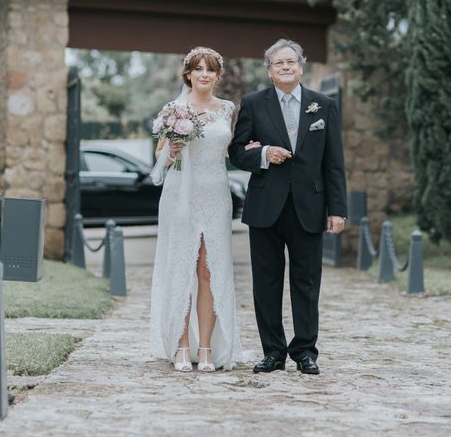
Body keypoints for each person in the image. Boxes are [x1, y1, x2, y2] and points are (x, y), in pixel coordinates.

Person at [228, 39, 347, 375]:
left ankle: (305, 351)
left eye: (290, 61)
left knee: (307, 282)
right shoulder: (253, 103)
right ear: (269, 71)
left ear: (301, 67)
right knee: (265, 282)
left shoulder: (324, 106)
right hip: (266, 205)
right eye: (278, 63)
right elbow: (237, 152)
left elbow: (334, 162)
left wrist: (337, 209)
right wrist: (264, 154)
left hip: (310, 206)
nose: (285, 66)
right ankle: (273, 352)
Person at [149, 47, 255, 372]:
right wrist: (172, 149)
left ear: (218, 76)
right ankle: (182, 346)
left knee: (209, 272)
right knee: (181, 265)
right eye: (199, 69)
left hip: (216, 195)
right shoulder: (174, 109)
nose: (204, 75)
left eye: (210, 70)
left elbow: (231, 148)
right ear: (189, 74)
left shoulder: (227, 109)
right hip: (180, 194)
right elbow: (160, 157)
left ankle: (206, 347)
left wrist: (249, 148)